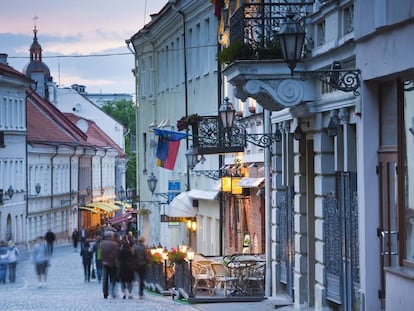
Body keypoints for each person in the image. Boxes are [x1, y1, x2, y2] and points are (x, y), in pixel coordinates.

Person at [101, 230, 120, 299]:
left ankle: (105, 293)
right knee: (113, 279)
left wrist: (102, 260)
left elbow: (99, 255)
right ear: (112, 236)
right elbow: (116, 254)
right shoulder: (115, 244)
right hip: (113, 264)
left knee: (105, 279)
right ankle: (112, 292)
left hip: (104, 263)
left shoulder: (101, 243)